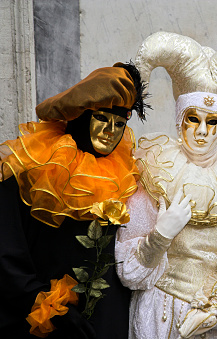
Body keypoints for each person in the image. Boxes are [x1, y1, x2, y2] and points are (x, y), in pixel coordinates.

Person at [114, 32, 217, 339]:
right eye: (193, 118)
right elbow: (130, 275)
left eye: (213, 121)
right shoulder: (155, 172)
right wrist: (160, 236)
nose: (202, 131)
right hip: (162, 319)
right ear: (180, 121)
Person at [0, 62, 147, 338]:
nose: (110, 131)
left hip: (106, 322)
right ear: (80, 115)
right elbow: (6, 255)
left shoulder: (126, 173)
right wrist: (49, 308)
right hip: (43, 324)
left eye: (120, 123)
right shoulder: (29, 169)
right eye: (102, 118)